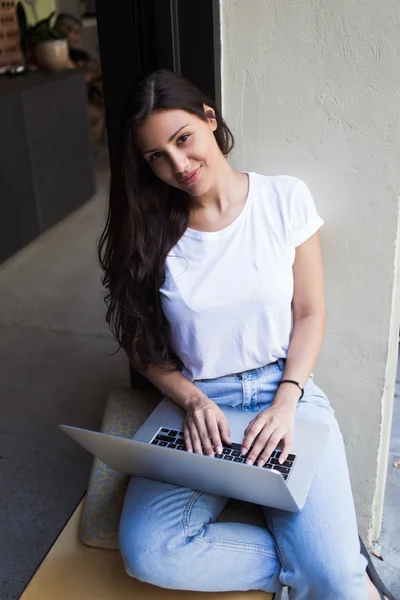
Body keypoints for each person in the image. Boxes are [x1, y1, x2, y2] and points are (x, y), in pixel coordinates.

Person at [98, 70, 393, 600]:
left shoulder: (284, 198)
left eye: (183, 139)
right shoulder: (150, 231)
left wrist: (286, 401)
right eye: (156, 157)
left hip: (285, 391)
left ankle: (332, 567)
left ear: (209, 118)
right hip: (198, 402)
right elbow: (141, 346)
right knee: (151, 552)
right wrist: (189, 400)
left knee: (342, 587)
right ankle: (321, 565)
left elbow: (309, 313)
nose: (178, 165)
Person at [54, 12, 103, 129]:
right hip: (61, 102)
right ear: (64, 30)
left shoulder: (78, 54)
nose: (78, 37)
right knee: (94, 115)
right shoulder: (56, 55)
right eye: (75, 33)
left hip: (79, 96)